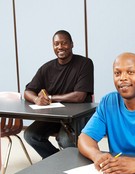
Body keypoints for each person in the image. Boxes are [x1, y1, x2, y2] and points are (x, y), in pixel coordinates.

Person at [23, 30, 94, 159]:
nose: (60, 47)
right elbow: (27, 91)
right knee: (30, 135)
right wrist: (36, 99)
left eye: (64, 43)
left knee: (65, 140)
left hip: (78, 116)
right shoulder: (46, 68)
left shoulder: (85, 64)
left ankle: (68, 164)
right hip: (55, 116)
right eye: (56, 44)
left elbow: (79, 96)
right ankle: (56, 160)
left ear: (72, 44)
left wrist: (50, 98)